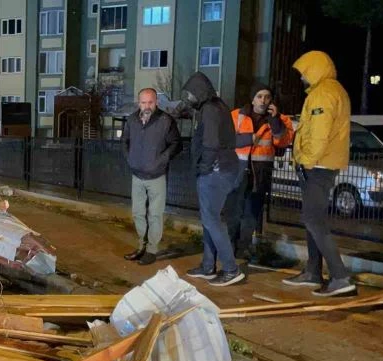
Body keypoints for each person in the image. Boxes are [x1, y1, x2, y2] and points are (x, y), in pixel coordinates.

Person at [284, 50, 356, 297]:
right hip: (322, 164)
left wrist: (306, 160)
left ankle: (340, 277)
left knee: (313, 219)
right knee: (312, 219)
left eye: (304, 71)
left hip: (318, 166)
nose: (302, 76)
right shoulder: (333, 90)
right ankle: (313, 271)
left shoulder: (323, 93)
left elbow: (319, 134)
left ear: (315, 69)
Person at [180, 72, 245, 286]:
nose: (188, 98)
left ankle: (230, 269)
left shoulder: (209, 109)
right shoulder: (217, 106)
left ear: (199, 92)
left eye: (190, 94)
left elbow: (210, 143)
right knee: (210, 218)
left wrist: (204, 168)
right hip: (222, 169)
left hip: (215, 172)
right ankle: (208, 266)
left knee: (212, 220)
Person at [226, 83, 295, 260]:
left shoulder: (279, 119)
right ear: (252, 98)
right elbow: (225, 139)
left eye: (267, 97)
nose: (263, 100)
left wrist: (275, 121)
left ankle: (243, 248)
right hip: (237, 171)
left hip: (260, 173)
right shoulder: (236, 115)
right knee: (234, 212)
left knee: (251, 214)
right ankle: (229, 247)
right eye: (259, 96)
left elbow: (283, 142)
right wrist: (249, 139)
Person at [123, 89, 182, 265]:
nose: (147, 106)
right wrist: (130, 158)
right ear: (138, 103)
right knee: (138, 213)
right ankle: (142, 246)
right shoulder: (132, 120)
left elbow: (176, 144)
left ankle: (152, 250)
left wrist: (161, 160)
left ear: (156, 102)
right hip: (137, 175)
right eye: (143, 102)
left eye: (150, 102)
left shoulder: (166, 121)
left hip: (157, 176)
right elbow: (124, 141)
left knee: (155, 215)